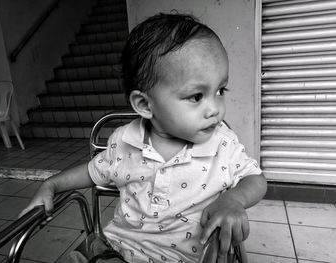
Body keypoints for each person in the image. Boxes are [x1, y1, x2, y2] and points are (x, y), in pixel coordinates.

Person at [19, 13, 267, 263]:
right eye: (196, 96)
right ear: (144, 105)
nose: (215, 108)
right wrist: (49, 185)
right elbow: (91, 172)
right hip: (116, 247)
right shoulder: (124, 140)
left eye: (220, 90)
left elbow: (255, 178)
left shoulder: (221, 143)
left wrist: (233, 199)